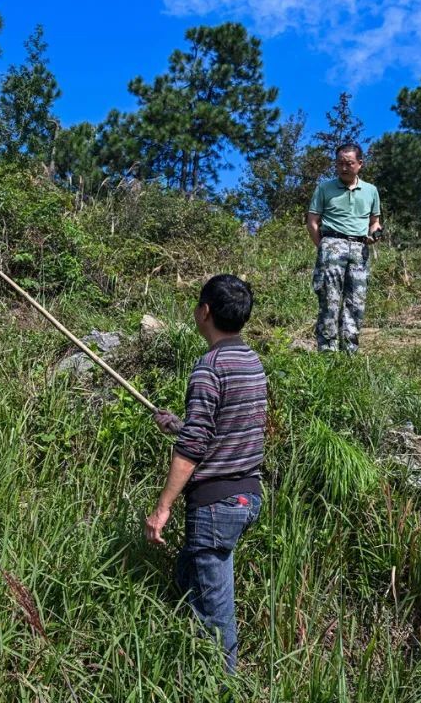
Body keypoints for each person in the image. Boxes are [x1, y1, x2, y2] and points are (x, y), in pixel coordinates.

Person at [145, 274, 267, 673]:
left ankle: (222, 684)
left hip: (216, 504)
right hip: (247, 497)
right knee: (186, 574)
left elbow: (194, 449)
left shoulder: (209, 367)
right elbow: (226, 427)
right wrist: (181, 424)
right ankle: (181, 656)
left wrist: (163, 507)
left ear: (205, 312)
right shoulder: (251, 361)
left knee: (215, 616)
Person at [305, 142, 382, 353]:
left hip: (359, 248)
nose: (344, 168)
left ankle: (350, 351)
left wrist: (375, 233)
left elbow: (375, 221)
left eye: (349, 163)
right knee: (329, 299)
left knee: (356, 301)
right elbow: (312, 221)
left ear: (360, 164)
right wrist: (323, 246)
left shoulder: (371, 191)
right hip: (332, 244)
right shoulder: (325, 188)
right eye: (340, 164)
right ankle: (327, 352)